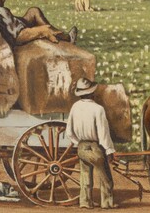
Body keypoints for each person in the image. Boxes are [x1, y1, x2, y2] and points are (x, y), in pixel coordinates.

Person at [66, 78, 116, 209]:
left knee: (85, 176)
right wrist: (109, 150)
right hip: (95, 147)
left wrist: (78, 143)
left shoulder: (75, 107)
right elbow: (103, 133)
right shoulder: (98, 109)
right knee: (106, 178)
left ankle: (85, 202)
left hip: (82, 147)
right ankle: (107, 203)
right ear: (92, 93)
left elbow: (69, 131)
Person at [0, 0, 77, 46]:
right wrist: (31, 30)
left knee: (33, 11)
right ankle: (67, 38)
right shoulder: (1, 10)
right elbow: (13, 29)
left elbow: (7, 24)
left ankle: (54, 33)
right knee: (45, 28)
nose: (3, 0)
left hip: (14, 31)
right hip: (18, 35)